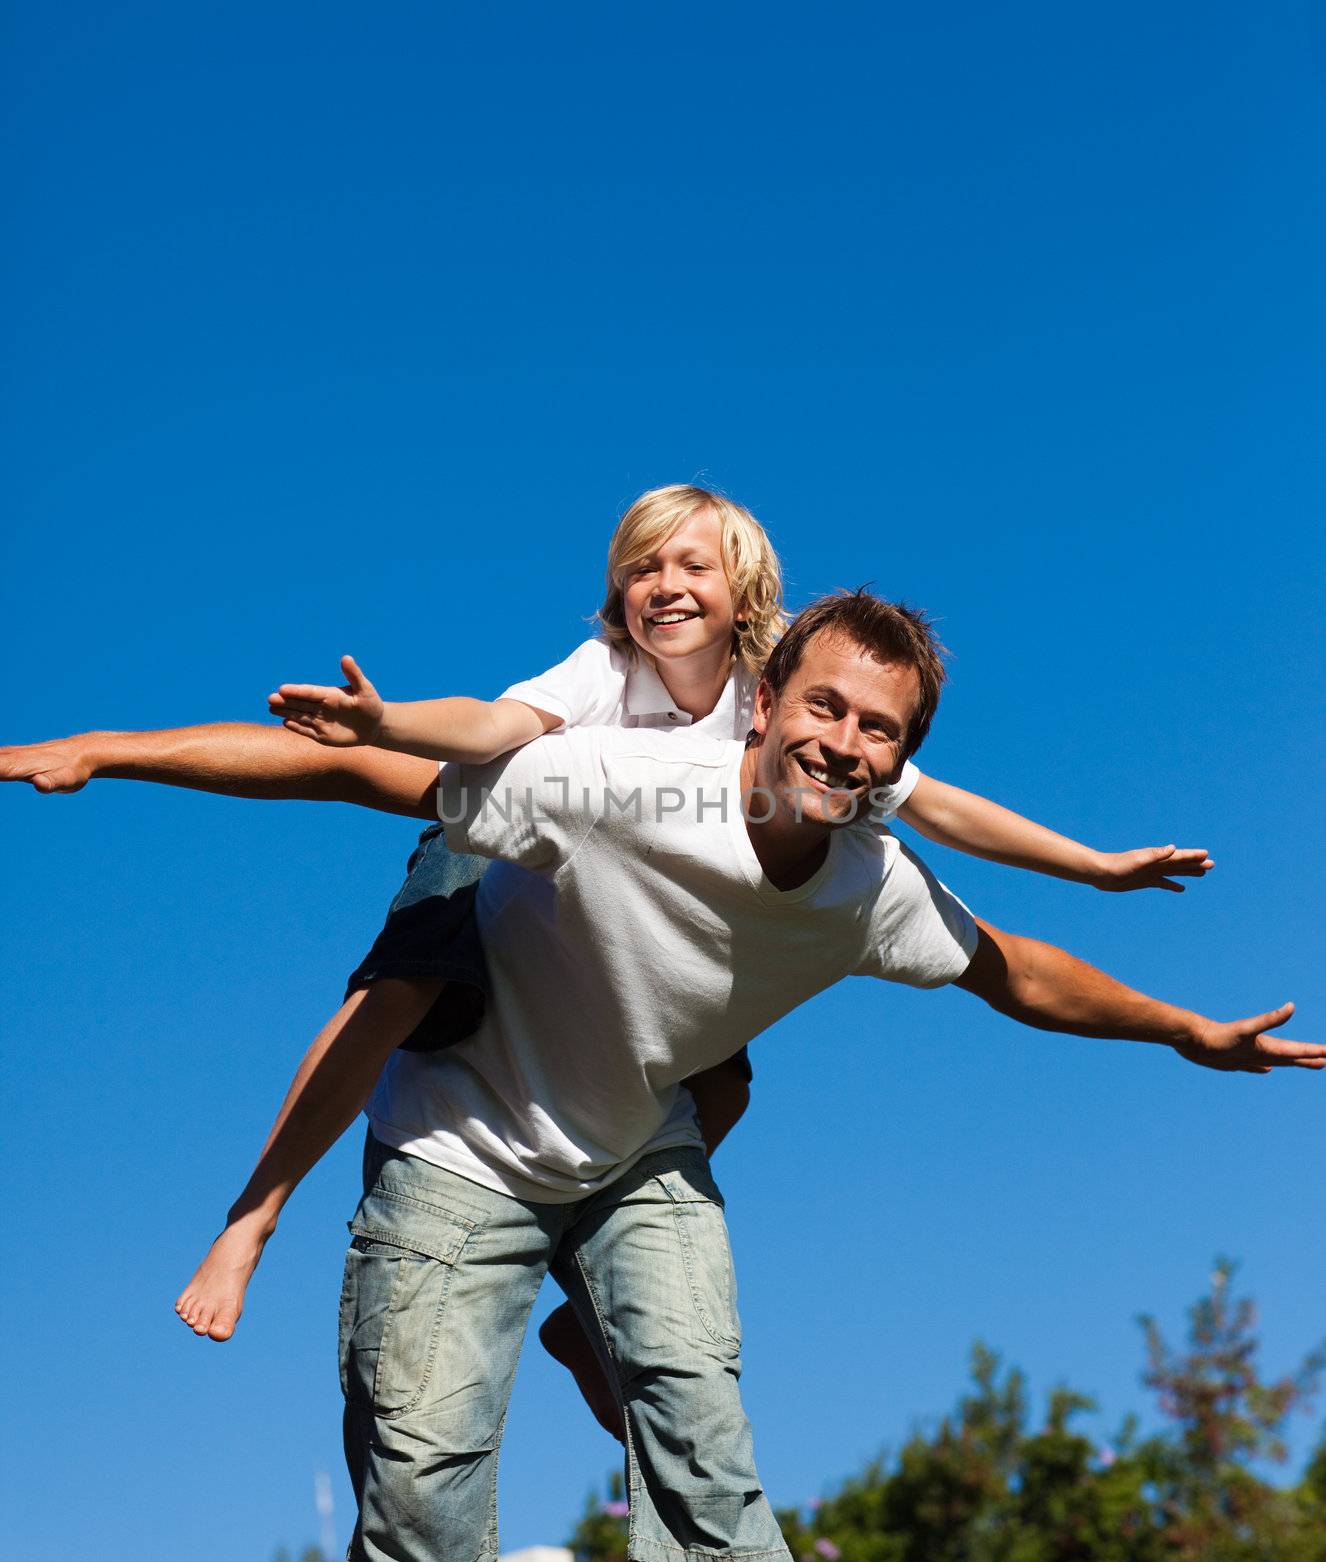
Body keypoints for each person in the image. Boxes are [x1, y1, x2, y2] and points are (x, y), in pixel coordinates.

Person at [2, 593, 1318, 1562]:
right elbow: (356, 771)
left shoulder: (869, 885)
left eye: (879, 732)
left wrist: (1182, 1031)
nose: (845, 746)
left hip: (636, 1162)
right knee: (422, 1526)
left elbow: (1014, 971)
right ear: (763, 702)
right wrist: (108, 750)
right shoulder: (617, 782)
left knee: (715, 1483)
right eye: (826, 710)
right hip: (459, 1155)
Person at [183, 484, 1205, 1409]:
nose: (663, 585)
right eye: (641, 566)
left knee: (721, 1091)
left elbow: (942, 808)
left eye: (691, 565)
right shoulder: (599, 673)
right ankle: (255, 1213)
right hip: (504, 839)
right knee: (405, 988)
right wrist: (390, 721)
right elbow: (491, 731)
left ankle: (591, 1298)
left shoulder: (792, 702)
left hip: (631, 930)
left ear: (748, 594)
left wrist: (1097, 867)